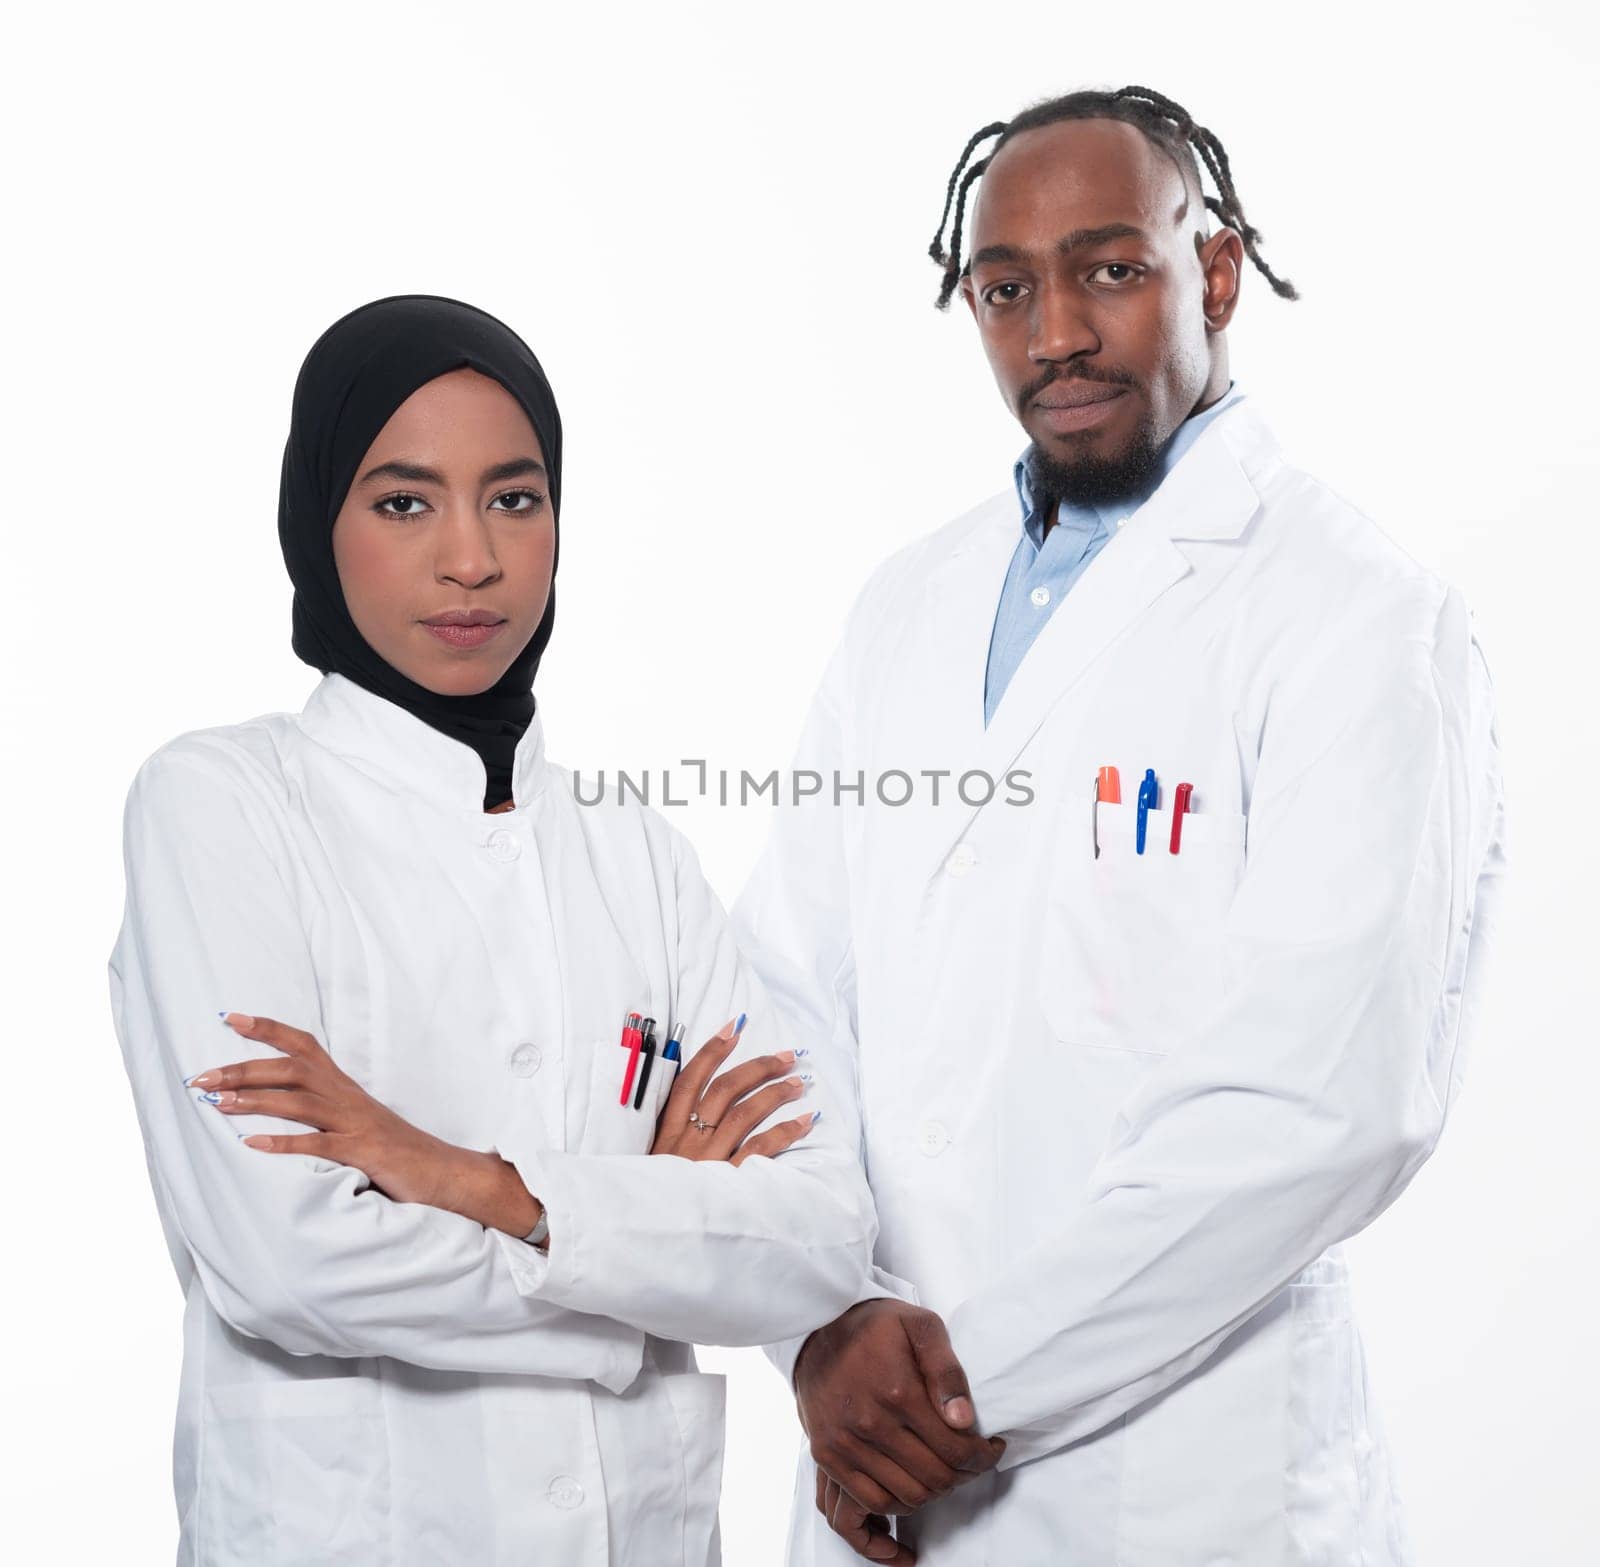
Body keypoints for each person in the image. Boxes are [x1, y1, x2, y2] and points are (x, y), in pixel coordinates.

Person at [733, 86, 1508, 1565]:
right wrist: (821, 1326)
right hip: (872, 1461)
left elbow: (1322, 1102)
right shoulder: (906, 608)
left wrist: (958, 1387)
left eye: (1109, 269)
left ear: (1211, 272)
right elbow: (779, 996)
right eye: (1007, 288)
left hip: (1178, 1489)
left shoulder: (1356, 617)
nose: (1058, 335)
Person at [107, 294, 884, 1567]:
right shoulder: (220, 804)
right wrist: (639, 1264)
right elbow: (287, 1260)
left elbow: (814, 1242)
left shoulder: (637, 853)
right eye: (404, 502)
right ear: (317, 519)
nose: (470, 557)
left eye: (514, 499)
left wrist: (479, 1186)